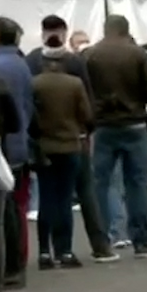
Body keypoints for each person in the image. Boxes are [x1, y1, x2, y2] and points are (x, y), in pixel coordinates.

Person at [84, 15, 147, 258]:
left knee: (100, 183)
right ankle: (141, 241)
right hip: (135, 124)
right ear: (127, 30)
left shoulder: (89, 55)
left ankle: (104, 241)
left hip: (103, 125)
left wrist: (90, 123)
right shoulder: (138, 54)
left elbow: (83, 92)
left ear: (105, 30)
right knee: (137, 184)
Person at [0, 17, 33, 285]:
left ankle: (10, 268)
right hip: (18, 143)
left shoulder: (0, 68)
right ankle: (14, 265)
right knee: (13, 207)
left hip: (2, 146)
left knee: (3, 214)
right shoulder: (19, 63)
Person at [30, 57, 93, 268]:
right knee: (64, 200)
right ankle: (64, 251)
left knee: (46, 200)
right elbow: (86, 115)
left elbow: (30, 116)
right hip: (69, 146)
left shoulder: (34, 83)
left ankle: (44, 253)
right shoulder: (74, 83)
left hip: (44, 147)